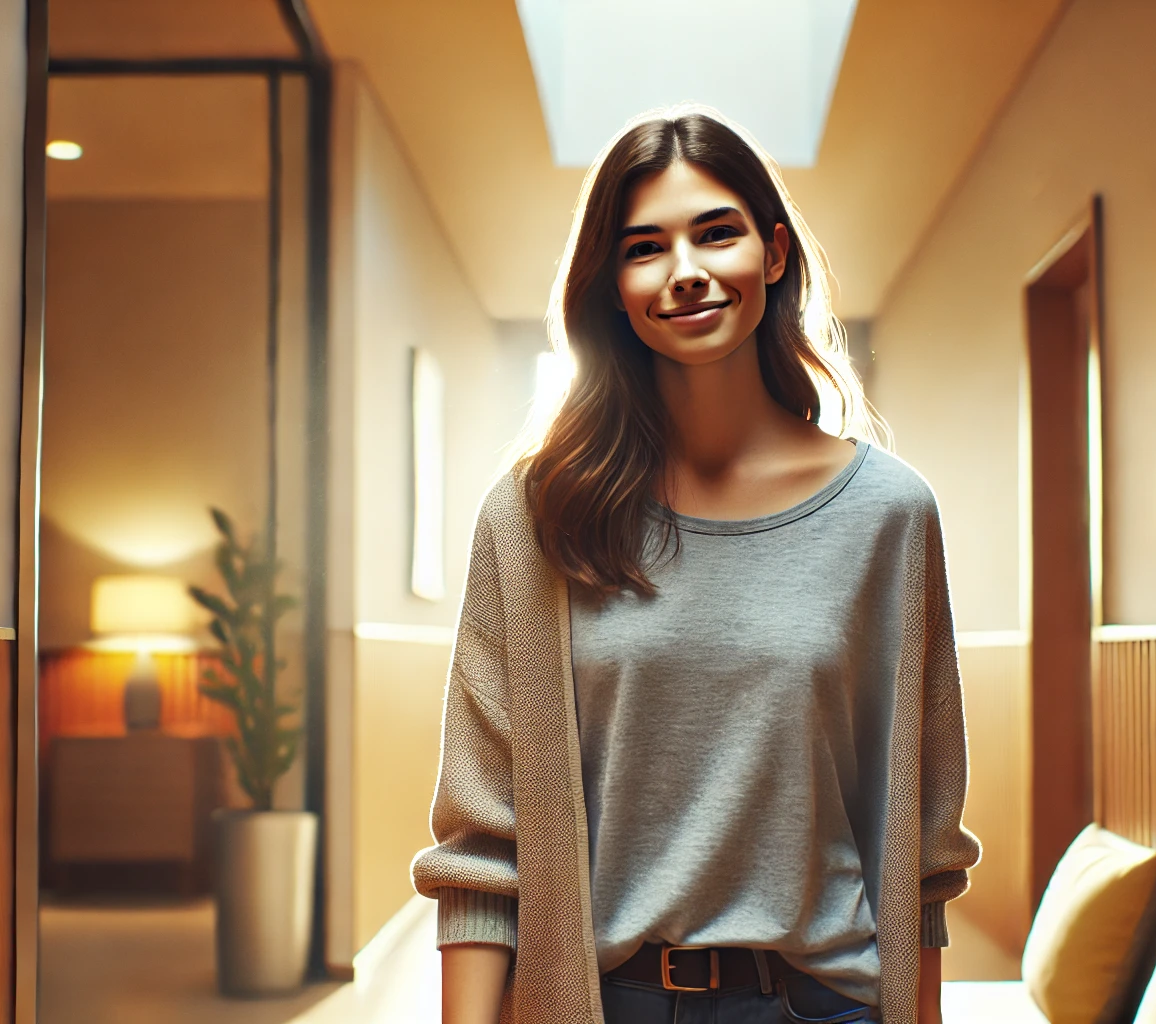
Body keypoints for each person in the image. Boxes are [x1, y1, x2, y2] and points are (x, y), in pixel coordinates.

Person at [411, 105, 980, 1024]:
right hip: (604, 1004)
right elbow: (484, 849)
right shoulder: (531, 518)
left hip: (821, 1004)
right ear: (612, 287)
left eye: (717, 233)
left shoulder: (891, 515)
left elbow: (921, 849)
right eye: (645, 247)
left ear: (776, 253)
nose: (686, 273)